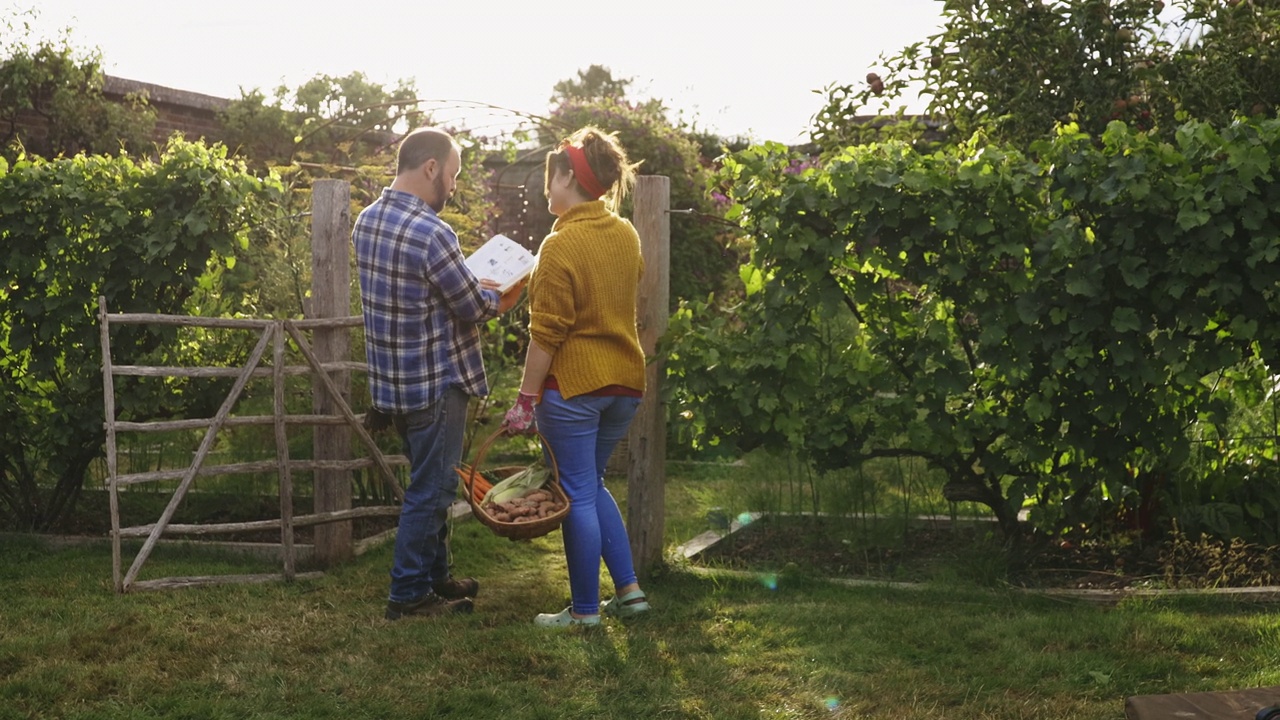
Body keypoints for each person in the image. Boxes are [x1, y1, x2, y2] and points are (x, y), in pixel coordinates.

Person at [353, 127, 523, 620]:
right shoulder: (432, 232)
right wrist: (503, 297)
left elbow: (420, 295)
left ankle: (436, 575)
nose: (452, 186)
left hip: (393, 387)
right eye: (452, 175)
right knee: (432, 491)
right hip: (435, 383)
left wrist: (470, 286)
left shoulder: (368, 220)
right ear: (431, 168)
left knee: (429, 480)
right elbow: (470, 306)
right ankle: (407, 596)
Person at [502, 127, 651, 628]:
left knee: (577, 494)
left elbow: (546, 335)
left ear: (570, 177)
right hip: (624, 387)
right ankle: (629, 592)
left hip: (574, 390)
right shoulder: (625, 233)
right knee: (591, 485)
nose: (546, 189)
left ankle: (586, 613)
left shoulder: (560, 245)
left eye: (551, 178)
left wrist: (525, 400)